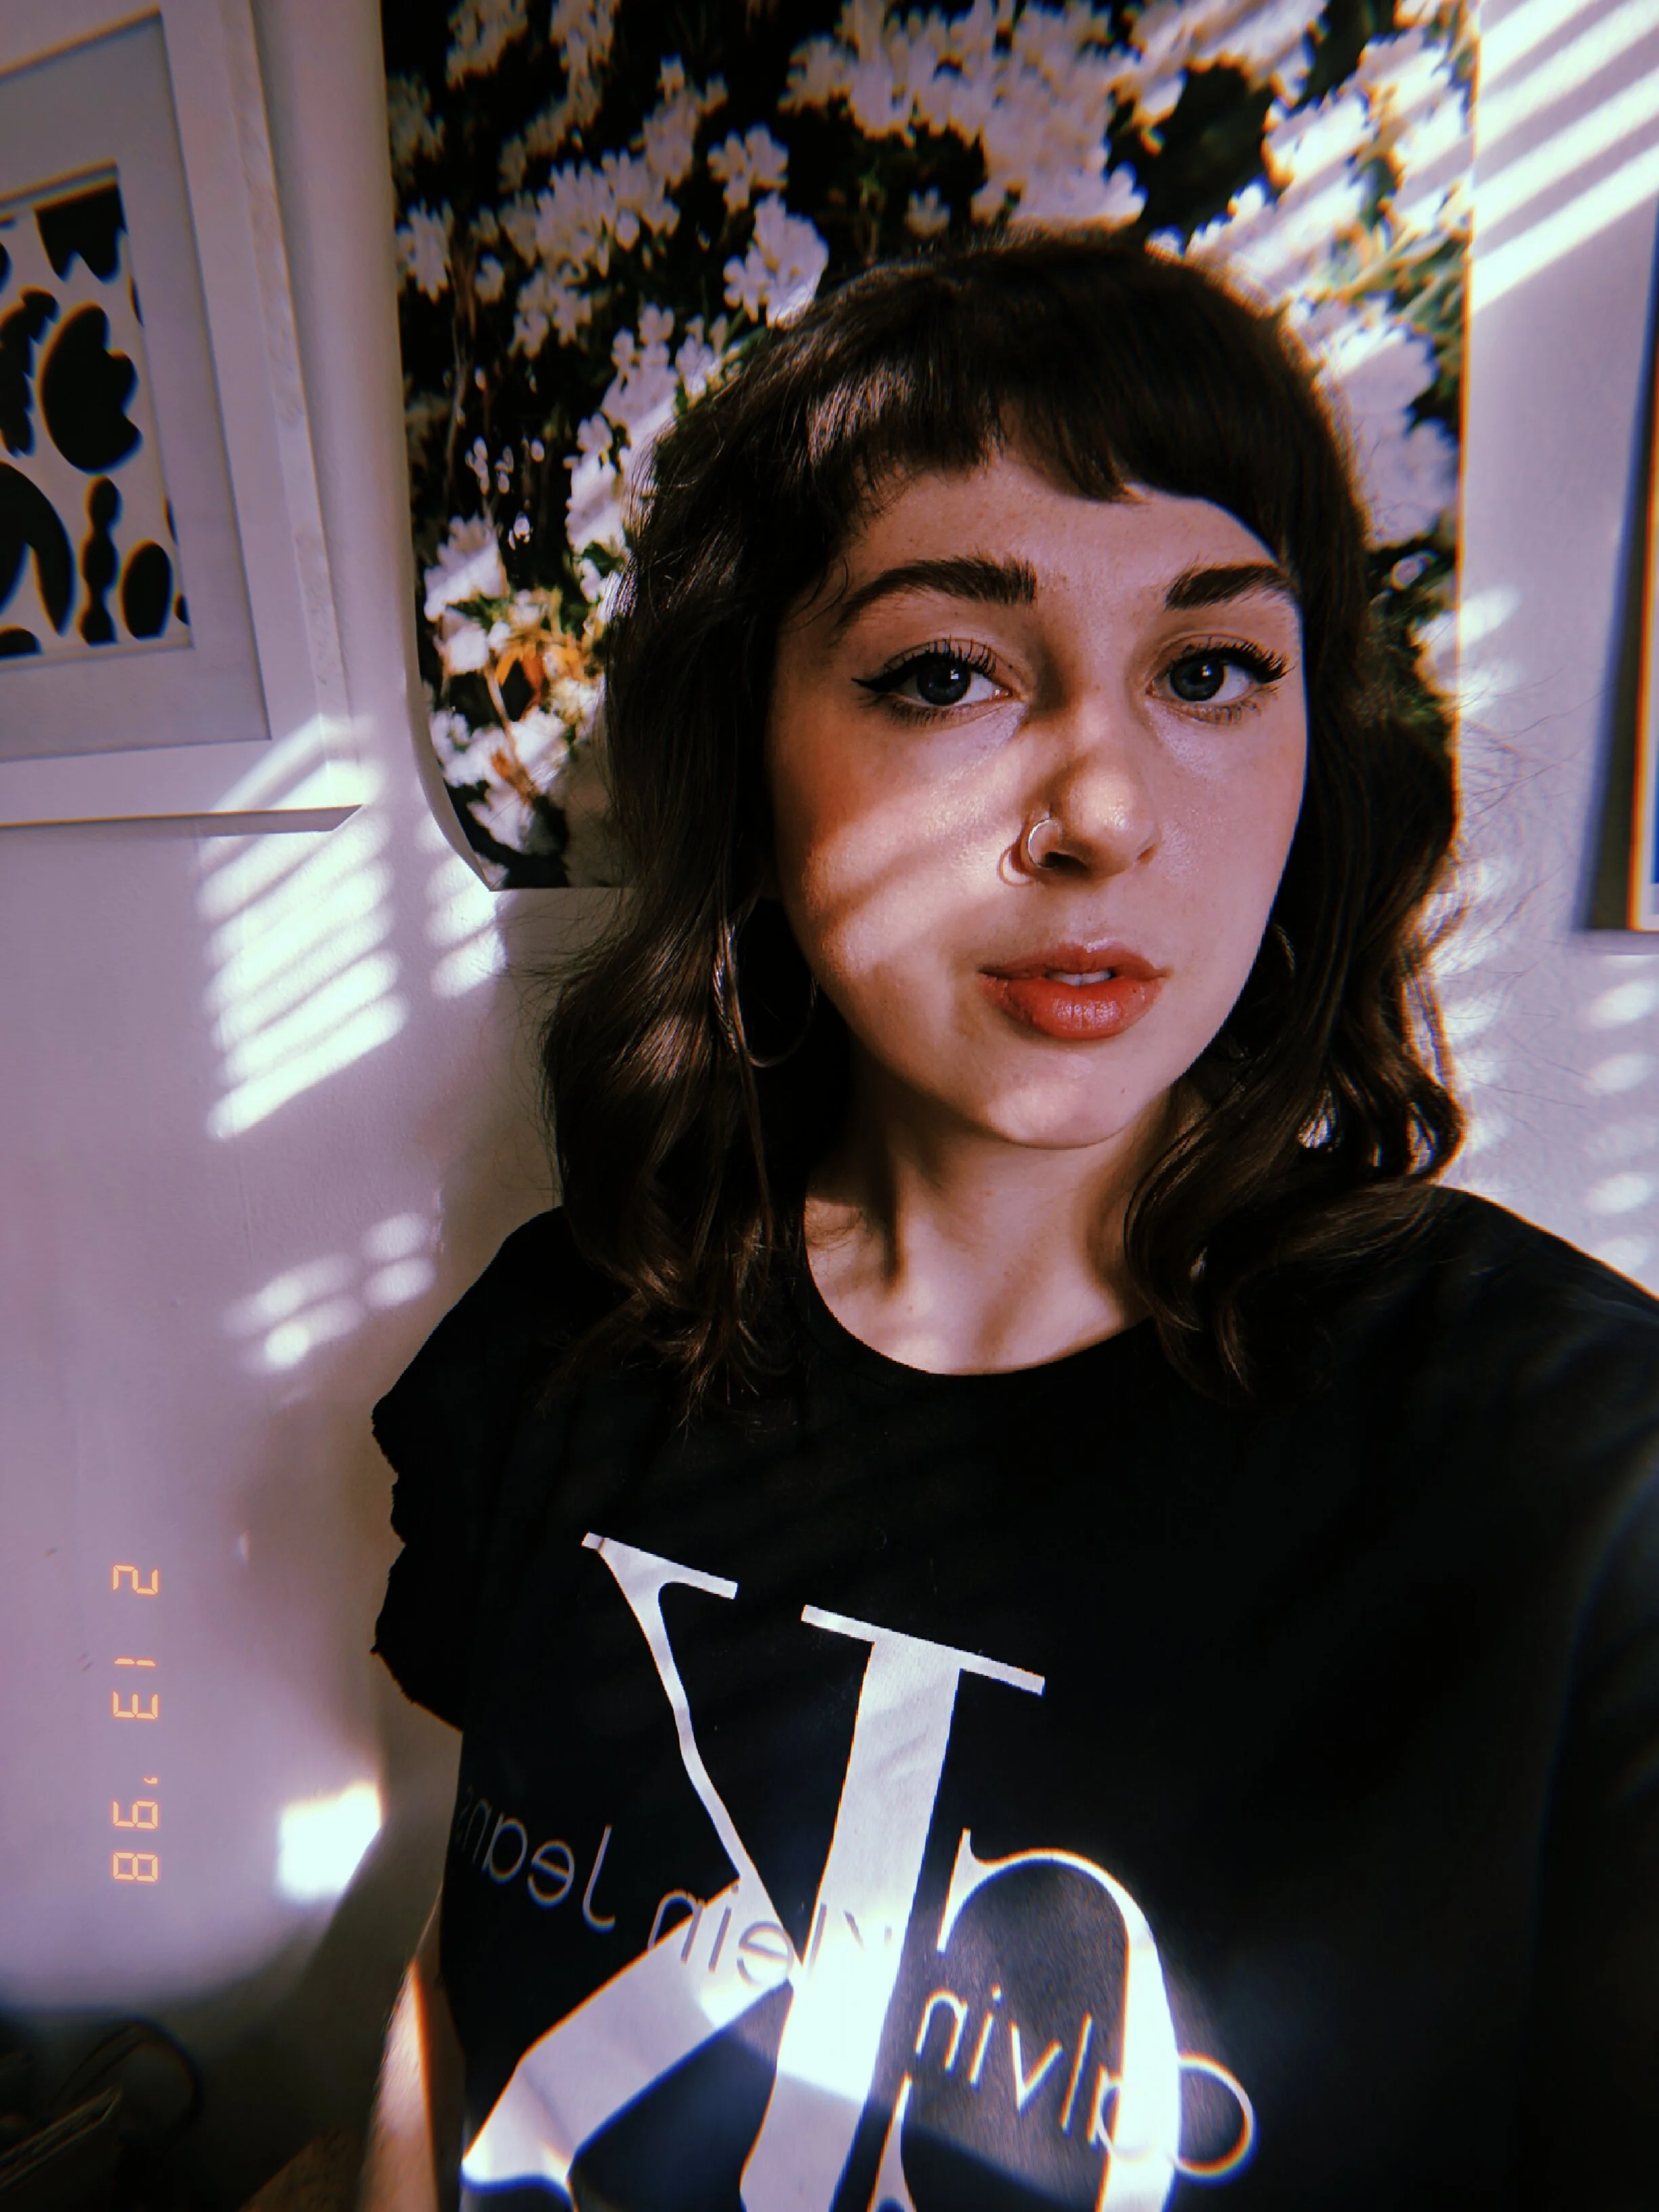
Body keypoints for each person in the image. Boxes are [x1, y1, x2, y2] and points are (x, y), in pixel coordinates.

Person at [360, 232, 1659, 2211]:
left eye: (1211, 671)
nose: (1106, 813)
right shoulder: (570, 1345)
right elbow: (464, 1982)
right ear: (747, 756)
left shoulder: (1575, 1482)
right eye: (947, 673)